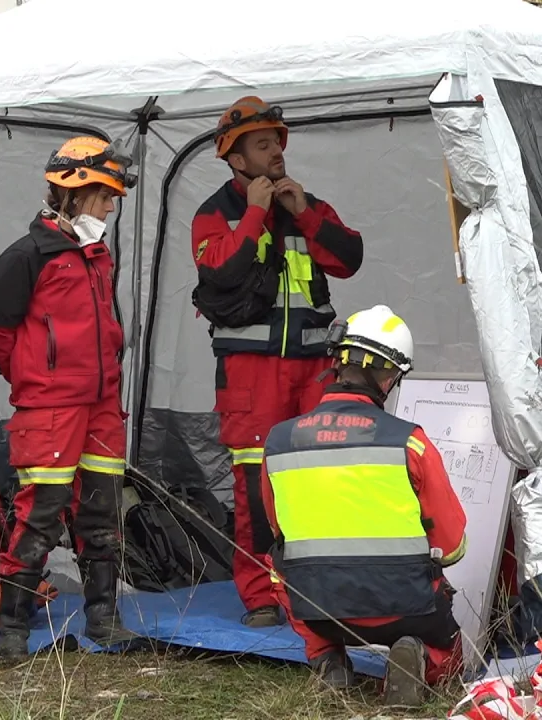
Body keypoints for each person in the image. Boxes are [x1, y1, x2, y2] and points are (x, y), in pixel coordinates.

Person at [190, 95, 364, 627]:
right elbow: (220, 271)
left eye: (277, 142)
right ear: (236, 159)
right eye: (262, 145)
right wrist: (259, 213)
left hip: (314, 368)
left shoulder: (306, 205)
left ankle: (314, 591)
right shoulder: (213, 214)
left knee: (318, 475)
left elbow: (350, 258)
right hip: (251, 371)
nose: (276, 152)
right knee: (254, 484)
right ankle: (262, 594)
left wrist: (303, 212)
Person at [0, 136, 139, 659]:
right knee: (39, 513)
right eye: (104, 195)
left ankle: (104, 618)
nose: (111, 206)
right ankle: (12, 629)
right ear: (72, 193)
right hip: (51, 410)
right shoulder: (27, 256)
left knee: (101, 511)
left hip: (101, 406)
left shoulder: (96, 254)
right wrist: (37, 378)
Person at [260, 305, 466, 705]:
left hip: (318, 607)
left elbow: (278, 531)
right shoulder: (411, 443)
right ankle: (420, 656)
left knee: (279, 565)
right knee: (450, 650)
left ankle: (327, 659)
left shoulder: (278, 441)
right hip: (403, 611)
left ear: (336, 364)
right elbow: (454, 545)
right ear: (389, 377)